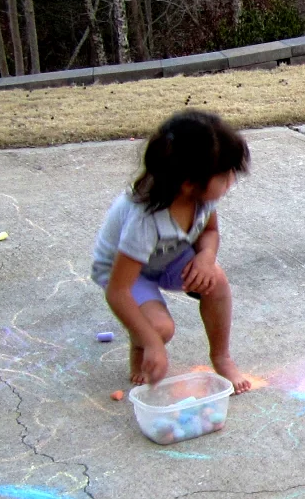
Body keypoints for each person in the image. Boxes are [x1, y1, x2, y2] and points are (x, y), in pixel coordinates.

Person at [92, 110, 253, 393]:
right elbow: (118, 291)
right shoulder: (145, 219)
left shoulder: (201, 197)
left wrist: (205, 257)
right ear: (189, 182)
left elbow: (210, 231)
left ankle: (221, 357)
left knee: (215, 279)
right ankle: (140, 346)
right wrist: (153, 344)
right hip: (127, 272)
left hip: (168, 256)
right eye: (225, 174)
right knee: (160, 330)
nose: (232, 179)